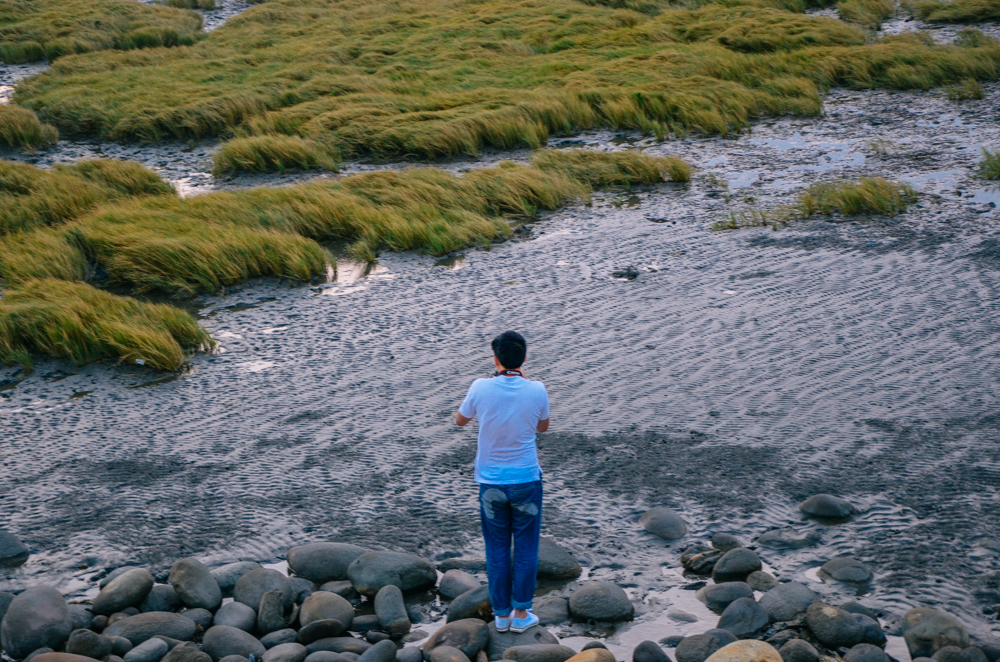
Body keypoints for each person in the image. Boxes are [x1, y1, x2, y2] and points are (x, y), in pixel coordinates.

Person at [455, 331, 550, 633]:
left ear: (495, 359)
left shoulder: (480, 387)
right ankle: (522, 614)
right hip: (526, 480)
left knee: (496, 548)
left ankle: (500, 615)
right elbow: (543, 428)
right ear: (525, 359)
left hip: (491, 482)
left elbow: (459, 420)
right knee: (525, 547)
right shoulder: (537, 389)